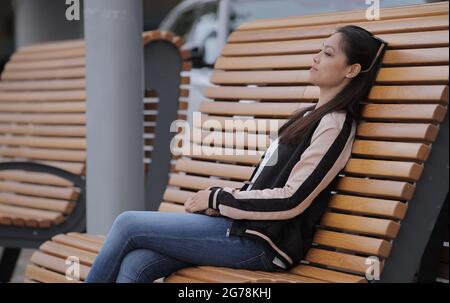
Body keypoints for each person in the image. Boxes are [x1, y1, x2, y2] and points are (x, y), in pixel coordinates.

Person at [86, 25, 388, 283]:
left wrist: (219, 198)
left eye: (328, 53)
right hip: (240, 229)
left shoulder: (334, 125)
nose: (315, 57)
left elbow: (292, 199)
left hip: (261, 245)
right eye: (320, 50)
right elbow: (260, 187)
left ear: (352, 70)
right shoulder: (308, 116)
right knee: (136, 263)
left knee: (127, 223)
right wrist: (219, 206)